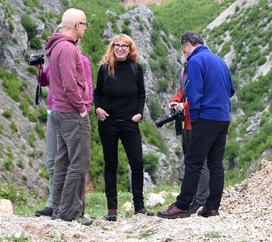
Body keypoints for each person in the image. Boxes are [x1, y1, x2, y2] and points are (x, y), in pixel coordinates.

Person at [158, 31, 235, 219]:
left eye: (184, 50)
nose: (184, 54)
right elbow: (231, 90)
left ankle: (182, 205)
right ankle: (212, 207)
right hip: (223, 117)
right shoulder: (220, 61)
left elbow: (194, 93)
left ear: (188, 45)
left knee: (193, 161)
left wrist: (194, 116)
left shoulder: (195, 61)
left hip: (205, 118)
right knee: (216, 164)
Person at [33, 35, 93, 218]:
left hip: (69, 112)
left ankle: (73, 205)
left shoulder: (80, 60)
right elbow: (46, 81)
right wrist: (39, 70)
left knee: (74, 160)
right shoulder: (58, 56)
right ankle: (56, 205)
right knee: (57, 160)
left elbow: (86, 87)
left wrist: (84, 108)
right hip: (55, 112)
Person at [93, 34, 151, 221]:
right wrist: (98, 109)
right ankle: (111, 209)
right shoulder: (104, 69)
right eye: (116, 45)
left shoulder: (136, 69)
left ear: (130, 48)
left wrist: (139, 113)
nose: (120, 48)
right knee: (111, 164)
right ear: (112, 48)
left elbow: (141, 94)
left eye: (124, 46)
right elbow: (97, 93)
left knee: (137, 163)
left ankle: (139, 206)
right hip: (108, 122)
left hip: (129, 123)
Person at [45, 8, 92, 225]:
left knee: (63, 161)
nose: (85, 28)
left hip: (58, 111)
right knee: (79, 162)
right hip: (71, 112)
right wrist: (82, 108)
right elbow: (69, 83)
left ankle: (58, 210)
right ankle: (70, 212)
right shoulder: (67, 49)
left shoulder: (57, 47)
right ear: (76, 26)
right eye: (84, 24)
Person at [169, 64, 210, 214]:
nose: (185, 55)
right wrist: (175, 100)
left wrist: (184, 106)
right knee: (190, 162)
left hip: (197, 122)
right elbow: (184, 91)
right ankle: (193, 198)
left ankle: (201, 200)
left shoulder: (201, 68)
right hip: (186, 123)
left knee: (201, 162)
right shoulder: (185, 69)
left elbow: (200, 93)